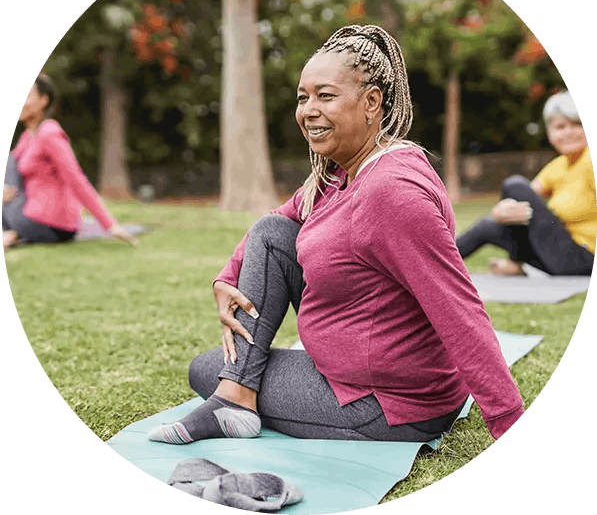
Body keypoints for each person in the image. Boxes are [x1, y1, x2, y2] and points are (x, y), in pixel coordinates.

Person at [148, 25, 523, 446]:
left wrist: (509, 422)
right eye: (303, 97)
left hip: (389, 404)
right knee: (273, 235)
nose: (308, 109)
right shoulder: (343, 173)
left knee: (204, 368)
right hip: (352, 377)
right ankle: (236, 393)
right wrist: (225, 276)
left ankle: (235, 395)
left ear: (372, 103)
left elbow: (459, 310)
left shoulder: (391, 192)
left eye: (325, 96)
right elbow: (276, 221)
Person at [457, 91, 595, 276]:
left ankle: (519, 264)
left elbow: (518, 191)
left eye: (577, 124)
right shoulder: (558, 166)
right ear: (550, 132)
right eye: (560, 126)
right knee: (488, 226)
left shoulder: (589, 160)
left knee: (514, 185)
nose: (568, 132)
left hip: (585, 258)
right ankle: (429, 264)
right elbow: (527, 198)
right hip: (561, 255)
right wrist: (501, 211)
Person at [2, 73, 137, 249]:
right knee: (10, 163)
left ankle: (13, 234)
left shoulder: (49, 132)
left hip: (50, 222)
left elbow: (76, 179)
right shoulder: (27, 137)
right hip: (30, 214)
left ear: (43, 100)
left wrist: (110, 224)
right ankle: (14, 234)